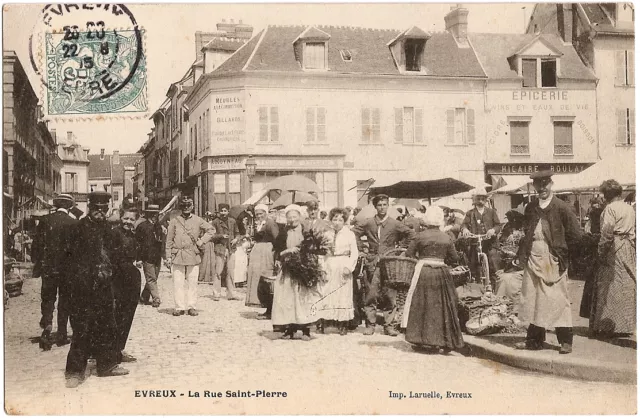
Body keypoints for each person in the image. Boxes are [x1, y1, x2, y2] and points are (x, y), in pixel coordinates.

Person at [65, 191, 128, 388]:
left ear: (107, 209)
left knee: (106, 327)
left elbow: (118, 257)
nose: (100, 212)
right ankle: (75, 371)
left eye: (103, 209)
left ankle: (107, 365)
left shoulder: (111, 231)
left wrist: (112, 275)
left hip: (104, 288)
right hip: (82, 288)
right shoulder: (77, 229)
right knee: (82, 329)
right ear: (89, 209)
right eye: (96, 209)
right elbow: (68, 260)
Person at [515, 169, 582, 354]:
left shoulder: (562, 207)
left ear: (551, 184)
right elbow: (527, 233)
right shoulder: (530, 208)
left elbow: (575, 236)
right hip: (533, 257)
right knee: (535, 299)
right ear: (534, 186)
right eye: (538, 184)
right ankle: (534, 340)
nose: (542, 187)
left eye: (545, 183)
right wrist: (522, 255)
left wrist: (566, 257)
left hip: (553, 258)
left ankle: (565, 341)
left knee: (558, 299)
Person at [352, 194, 415, 336]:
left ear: (388, 206)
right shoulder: (369, 222)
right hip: (372, 261)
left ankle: (389, 325)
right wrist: (362, 248)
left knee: (390, 294)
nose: (382, 207)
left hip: (389, 262)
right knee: (371, 294)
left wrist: (401, 250)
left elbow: (411, 234)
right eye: (379, 205)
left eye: (385, 205)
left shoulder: (394, 223)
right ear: (375, 207)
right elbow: (353, 232)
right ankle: (370, 324)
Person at [403, 206, 464, 353]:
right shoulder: (446, 237)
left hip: (424, 271)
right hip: (442, 272)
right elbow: (454, 258)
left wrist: (420, 258)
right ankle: (444, 340)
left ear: (426, 219)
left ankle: (423, 340)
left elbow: (408, 254)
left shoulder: (419, 236)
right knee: (442, 305)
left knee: (422, 305)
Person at [589, 180, 636, 337]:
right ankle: (627, 324)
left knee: (608, 285)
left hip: (614, 247)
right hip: (628, 246)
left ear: (606, 195)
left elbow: (607, 233)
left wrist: (601, 252)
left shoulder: (609, 209)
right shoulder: (630, 208)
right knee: (628, 284)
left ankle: (607, 325)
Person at [272, 204, 323, 340]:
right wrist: (287, 251)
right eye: (289, 217)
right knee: (288, 300)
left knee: (303, 299)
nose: (292, 220)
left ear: (299, 217)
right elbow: (278, 251)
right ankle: (290, 329)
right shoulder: (283, 232)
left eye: (295, 217)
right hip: (287, 269)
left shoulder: (306, 232)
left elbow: (313, 249)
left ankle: (305, 330)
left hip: (302, 270)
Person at [34, 193, 77, 350]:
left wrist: (38, 263)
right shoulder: (73, 223)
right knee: (65, 300)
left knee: (48, 298)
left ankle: (46, 327)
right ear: (70, 206)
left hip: (49, 268)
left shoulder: (45, 221)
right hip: (67, 270)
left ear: (56, 204)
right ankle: (62, 334)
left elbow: (37, 245)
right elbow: (76, 249)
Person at [165, 196, 214, 316]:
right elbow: (169, 240)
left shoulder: (198, 220)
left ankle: (192, 306)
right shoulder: (174, 221)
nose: (186, 208)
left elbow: (211, 230)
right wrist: (168, 256)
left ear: (192, 207)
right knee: (178, 282)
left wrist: (202, 241)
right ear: (180, 207)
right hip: (178, 254)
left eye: (188, 205)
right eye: (183, 206)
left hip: (192, 254)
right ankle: (179, 307)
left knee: (192, 283)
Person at [317, 208, 359, 335]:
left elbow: (354, 253)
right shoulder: (326, 233)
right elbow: (321, 253)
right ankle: (323, 322)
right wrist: (322, 268)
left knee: (343, 294)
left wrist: (349, 267)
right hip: (329, 263)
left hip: (343, 263)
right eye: (335, 219)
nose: (337, 222)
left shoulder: (349, 234)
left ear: (344, 221)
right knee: (326, 292)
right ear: (331, 220)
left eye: (340, 220)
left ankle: (343, 323)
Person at [111, 207, 142, 364]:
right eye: (126, 218)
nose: (128, 222)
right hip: (117, 278)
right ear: (120, 218)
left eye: (132, 219)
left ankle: (119, 349)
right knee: (116, 315)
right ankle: (110, 351)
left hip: (130, 278)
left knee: (127, 316)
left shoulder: (133, 235)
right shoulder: (114, 234)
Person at [461, 190, 502, 287]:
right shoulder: (470, 213)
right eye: (478, 198)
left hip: (490, 243)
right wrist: (465, 230)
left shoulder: (491, 212)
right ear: (474, 200)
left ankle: (496, 287)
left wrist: (493, 230)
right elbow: (463, 225)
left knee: (493, 261)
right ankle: (478, 285)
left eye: (483, 198)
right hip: (476, 242)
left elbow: (498, 225)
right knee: (474, 264)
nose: (480, 201)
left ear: (486, 200)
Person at [246, 204, 279, 317]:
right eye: (257, 214)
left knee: (267, 280)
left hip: (267, 253)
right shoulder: (258, 224)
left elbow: (276, 238)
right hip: (258, 254)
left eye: (261, 213)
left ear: (266, 213)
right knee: (259, 281)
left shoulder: (270, 223)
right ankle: (266, 307)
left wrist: (276, 255)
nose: (259, 216)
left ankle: (271, 310)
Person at [211, 203, 241, 300]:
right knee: (218, 271)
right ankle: (216, 293)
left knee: (230, 271)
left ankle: (231, 293)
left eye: (225, 211)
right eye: (221, 211)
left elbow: (237, 234)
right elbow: (211, 236)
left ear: (228, 211)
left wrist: (236, 239)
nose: (223, 213)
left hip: (231, 248)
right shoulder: (215, 222)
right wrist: (221, 236)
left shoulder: (232, 221)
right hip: (220, 249)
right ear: (219, 212)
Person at [136, 204, 164, 307]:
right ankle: (156, 299)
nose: (154, 216)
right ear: (148, 214)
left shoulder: (159, 227)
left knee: (153, 278)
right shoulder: (142, 227)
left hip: (157, 257)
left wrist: (164, 256)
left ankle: (144, 296)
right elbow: (137, 244)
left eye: (156, 214)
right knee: (151, 278)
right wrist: (138, 259)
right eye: (152, 214)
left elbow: (161, 242)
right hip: (146, 257)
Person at [197, 212, 217, 285]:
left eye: (211, 216)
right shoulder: (206, 224)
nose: (209, 218)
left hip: (210, 242)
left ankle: (209, 276)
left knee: (210, 259)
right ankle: (205, 276)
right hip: (207, 242)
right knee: (206, 259)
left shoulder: (211, 224)